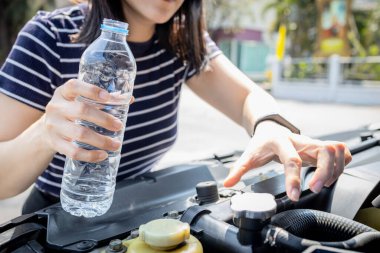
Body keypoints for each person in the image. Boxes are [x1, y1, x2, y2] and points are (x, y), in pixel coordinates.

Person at [0, 0, 351, 214]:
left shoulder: (180, 37)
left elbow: (246, 98)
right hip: (56, 217)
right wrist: (46, 132)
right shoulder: (51, 36)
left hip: (137, 209)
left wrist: (270, 126)